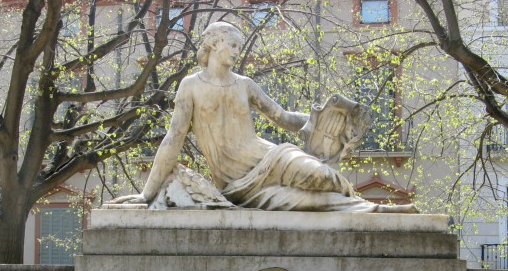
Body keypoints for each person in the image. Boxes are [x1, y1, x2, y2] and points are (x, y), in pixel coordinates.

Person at [112, 22, 416, 212]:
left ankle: (371, 209)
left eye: (238, 47)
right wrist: (147, 193)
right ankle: (376, 211)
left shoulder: (245, 85)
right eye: (232, 45)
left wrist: (322, 122)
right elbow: (173, 138)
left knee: (326, 178)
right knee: (310, 203)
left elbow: (282, 117)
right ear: (214, 44)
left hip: (270, 157)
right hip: (237, 184)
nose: (236, 51)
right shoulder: (190, 86)